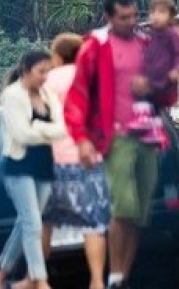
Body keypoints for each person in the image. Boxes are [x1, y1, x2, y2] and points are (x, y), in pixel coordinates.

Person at [65, 0, 169, 289]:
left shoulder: (147, 43)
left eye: (135, 15)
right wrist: (82, 138)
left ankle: (121, 274)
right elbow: (78, 95)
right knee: (121, 208)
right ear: (109, 17)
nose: (131, 22)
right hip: (116, 136)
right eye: (123, 17)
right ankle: (113, 276)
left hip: (148, 133)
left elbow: (167, 87)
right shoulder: (95, 45)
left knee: (138, 214)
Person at [0, 50, 69, 289]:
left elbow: (62, 129)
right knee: (33, 223)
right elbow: (22, 135)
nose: (45, 77)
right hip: (19, 167)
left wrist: (38, 127)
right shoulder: (11, 97)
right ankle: (40, 281)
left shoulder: (48, 95)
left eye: (48, 71)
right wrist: (47, 130)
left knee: (25, 223)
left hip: (43, 165)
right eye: (41, 71)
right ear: (25, 71)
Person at [42, 34, 111, 289]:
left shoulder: (47, 82)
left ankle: (41, 279)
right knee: (93, 223)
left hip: (54, 161)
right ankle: (96, 280)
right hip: (89, 160)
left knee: (44, 222)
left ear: (58, 56)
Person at [127, 0, 179, 146]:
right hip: (151, 77)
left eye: (161, 12)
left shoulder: (171, 34)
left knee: (154, 104)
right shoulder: (151, 34)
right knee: (141, 97)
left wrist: (177, 69)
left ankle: (155, 130)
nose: (156, 16)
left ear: (170, 16)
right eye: (153, 13)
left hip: (165, 79)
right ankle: (143, 122)